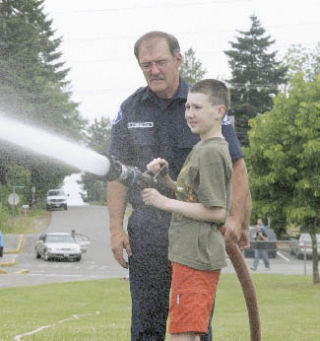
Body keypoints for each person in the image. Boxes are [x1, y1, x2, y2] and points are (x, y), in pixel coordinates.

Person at [107, 31, 251, 341]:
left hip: (195, 229)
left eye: (160, 62)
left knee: (194, 321)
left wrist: (238, 218)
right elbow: (116, 173)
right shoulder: (130, 109)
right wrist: (115, 228)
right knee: (146, 319)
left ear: (178, 60)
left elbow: (237, 166)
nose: (154, 70)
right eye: (146, 65)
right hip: (147, 231)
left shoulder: (203, 104)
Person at [141, 79, 232, 341]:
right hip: (189, 255)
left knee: (183, 334)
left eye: (198, 108)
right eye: (188, 107)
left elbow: (216, 212)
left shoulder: (211, 153)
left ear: (219, 112)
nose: (190, 114)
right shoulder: (203, 147)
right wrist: (168, 181)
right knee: (188, 331)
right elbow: (194, 198)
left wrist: (162, 202)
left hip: (196, 258)